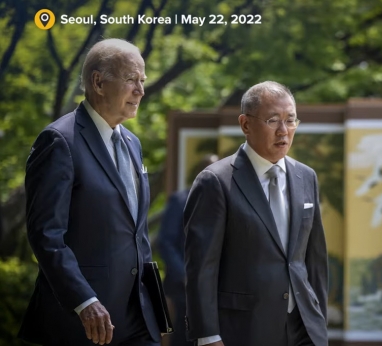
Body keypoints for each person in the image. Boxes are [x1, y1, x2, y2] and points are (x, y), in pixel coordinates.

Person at [18, 38, 160, 345]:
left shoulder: (133, 144)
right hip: (82, 323)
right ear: (98, 82)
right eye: (131, 80)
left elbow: (137, 233)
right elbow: (46, 235)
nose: (141, 91)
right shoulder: (59, 141)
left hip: (137, 318)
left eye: (142, 81)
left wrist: (154, 302)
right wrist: (83, 302)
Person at [184, 81, 329, 346]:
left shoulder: (306, 176)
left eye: (291, 120)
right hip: (244, 329)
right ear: (245, 124)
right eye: (273, 120)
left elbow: (315, 260)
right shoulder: (215, 181)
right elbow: (201, 267)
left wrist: (319, 323)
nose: (283, 131)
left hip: (303, 330)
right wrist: (207, 335)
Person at [157, 154, 218, 346]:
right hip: (183, 286)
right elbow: (165, 241)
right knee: (184, 336)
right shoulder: (180, 200)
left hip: (214, 284)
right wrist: (185, 275)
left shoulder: (223, 202)